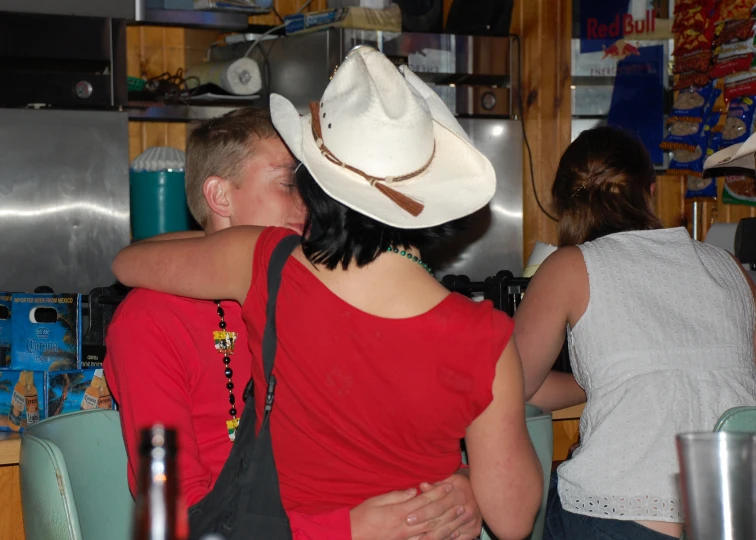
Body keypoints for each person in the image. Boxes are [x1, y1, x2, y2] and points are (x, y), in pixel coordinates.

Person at [111, 46, 544, 540]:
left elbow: (127, 260)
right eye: (285, 182)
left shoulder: (269, 266)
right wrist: (353, 527)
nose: (301, 201)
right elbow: (172, 515)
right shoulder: (160, 315)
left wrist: (464, 484)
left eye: (304, 181)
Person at [513, 126, 756, 540]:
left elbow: (512, 385)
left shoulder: (569, 266)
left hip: (622, 514)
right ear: (650, 189)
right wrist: (616, 383)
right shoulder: (730, 267)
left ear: (564, 204)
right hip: (733, 515)